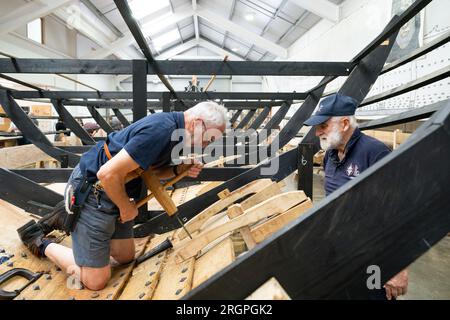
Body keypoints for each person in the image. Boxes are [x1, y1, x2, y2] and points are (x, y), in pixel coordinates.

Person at [19, 101, 228, 290]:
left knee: (125, 257)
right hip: (93, 191)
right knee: (96, 281)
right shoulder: (160, 131)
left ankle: (68, 219)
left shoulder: (175, 132)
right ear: (197, 124)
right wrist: (126, 207)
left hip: (117, 191)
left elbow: (147, 170)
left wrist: (178, 170)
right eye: (210, 138)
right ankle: (39, 241)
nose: (208, 144)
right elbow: (107, 173)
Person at [303, 93, 408, 300]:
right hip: (340, 254)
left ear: (344, 123)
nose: (317, 133)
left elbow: (399, 209)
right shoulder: (330, 157)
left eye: (323, 126)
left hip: (373, 256)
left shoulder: (374, 153)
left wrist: (399, 266)